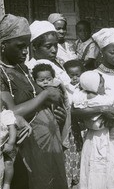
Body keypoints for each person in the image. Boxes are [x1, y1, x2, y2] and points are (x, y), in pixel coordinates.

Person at [0, 14, 68, 189]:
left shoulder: (24, 68)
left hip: (45, 146)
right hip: (23, 151)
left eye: (26, 46)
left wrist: (57, 114)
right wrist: (45, 96)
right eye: (19, 46)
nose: (25, 51)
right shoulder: (2, 74)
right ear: (3, 45)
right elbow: (12, 113)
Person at [74, 27, 114, 189]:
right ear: (102, 52)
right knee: (104, 176)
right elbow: (76, 110)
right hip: (102, 136)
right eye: (113, 52)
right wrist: (103, 110)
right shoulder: (92, 77)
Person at [27, 20, 82, 189]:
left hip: (67, 122)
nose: (53, 50)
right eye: (47, 46)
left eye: (55, 45)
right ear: (34, 48)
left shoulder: (55, 63)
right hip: (54, 128)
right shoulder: (36, 69)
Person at [73, 70, 114, 138]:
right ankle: (112, 132)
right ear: (94, 85)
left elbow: (75, 99)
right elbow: (110, 102)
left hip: (88, 123)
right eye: (101, 83)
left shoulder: (81, 94)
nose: (104, 86)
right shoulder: (98, 98)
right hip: (100, 122)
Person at [0, 110, 17, 189]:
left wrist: (10, 143)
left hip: (3, 149)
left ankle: (7, 184)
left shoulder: (4, 115)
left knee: (8, 163)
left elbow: (12, 129)